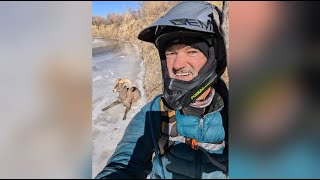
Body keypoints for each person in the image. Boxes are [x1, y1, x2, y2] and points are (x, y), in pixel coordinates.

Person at [95, 1, 228, 179]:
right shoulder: (155, 111)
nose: (178, 65)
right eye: (171, 53)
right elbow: (125, 162)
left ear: (215, 56)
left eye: (192, 52)